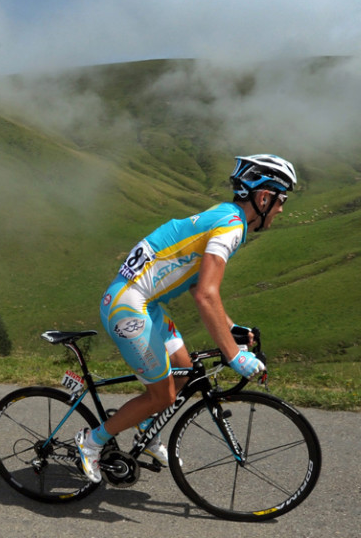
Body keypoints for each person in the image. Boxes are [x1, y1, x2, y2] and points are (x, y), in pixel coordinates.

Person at [76, 154, 296, 483]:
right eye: (281, 201)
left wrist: (231, 328)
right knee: (162, 395)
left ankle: (147, 429)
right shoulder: (231, 227)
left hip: (144, 301)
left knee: (183, 369)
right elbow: (207, 295)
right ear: (264, 198)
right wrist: (235, 356)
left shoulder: (226, 215)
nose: (281, 210)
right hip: (128, 304)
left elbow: (195, 283)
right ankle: (91, 443)